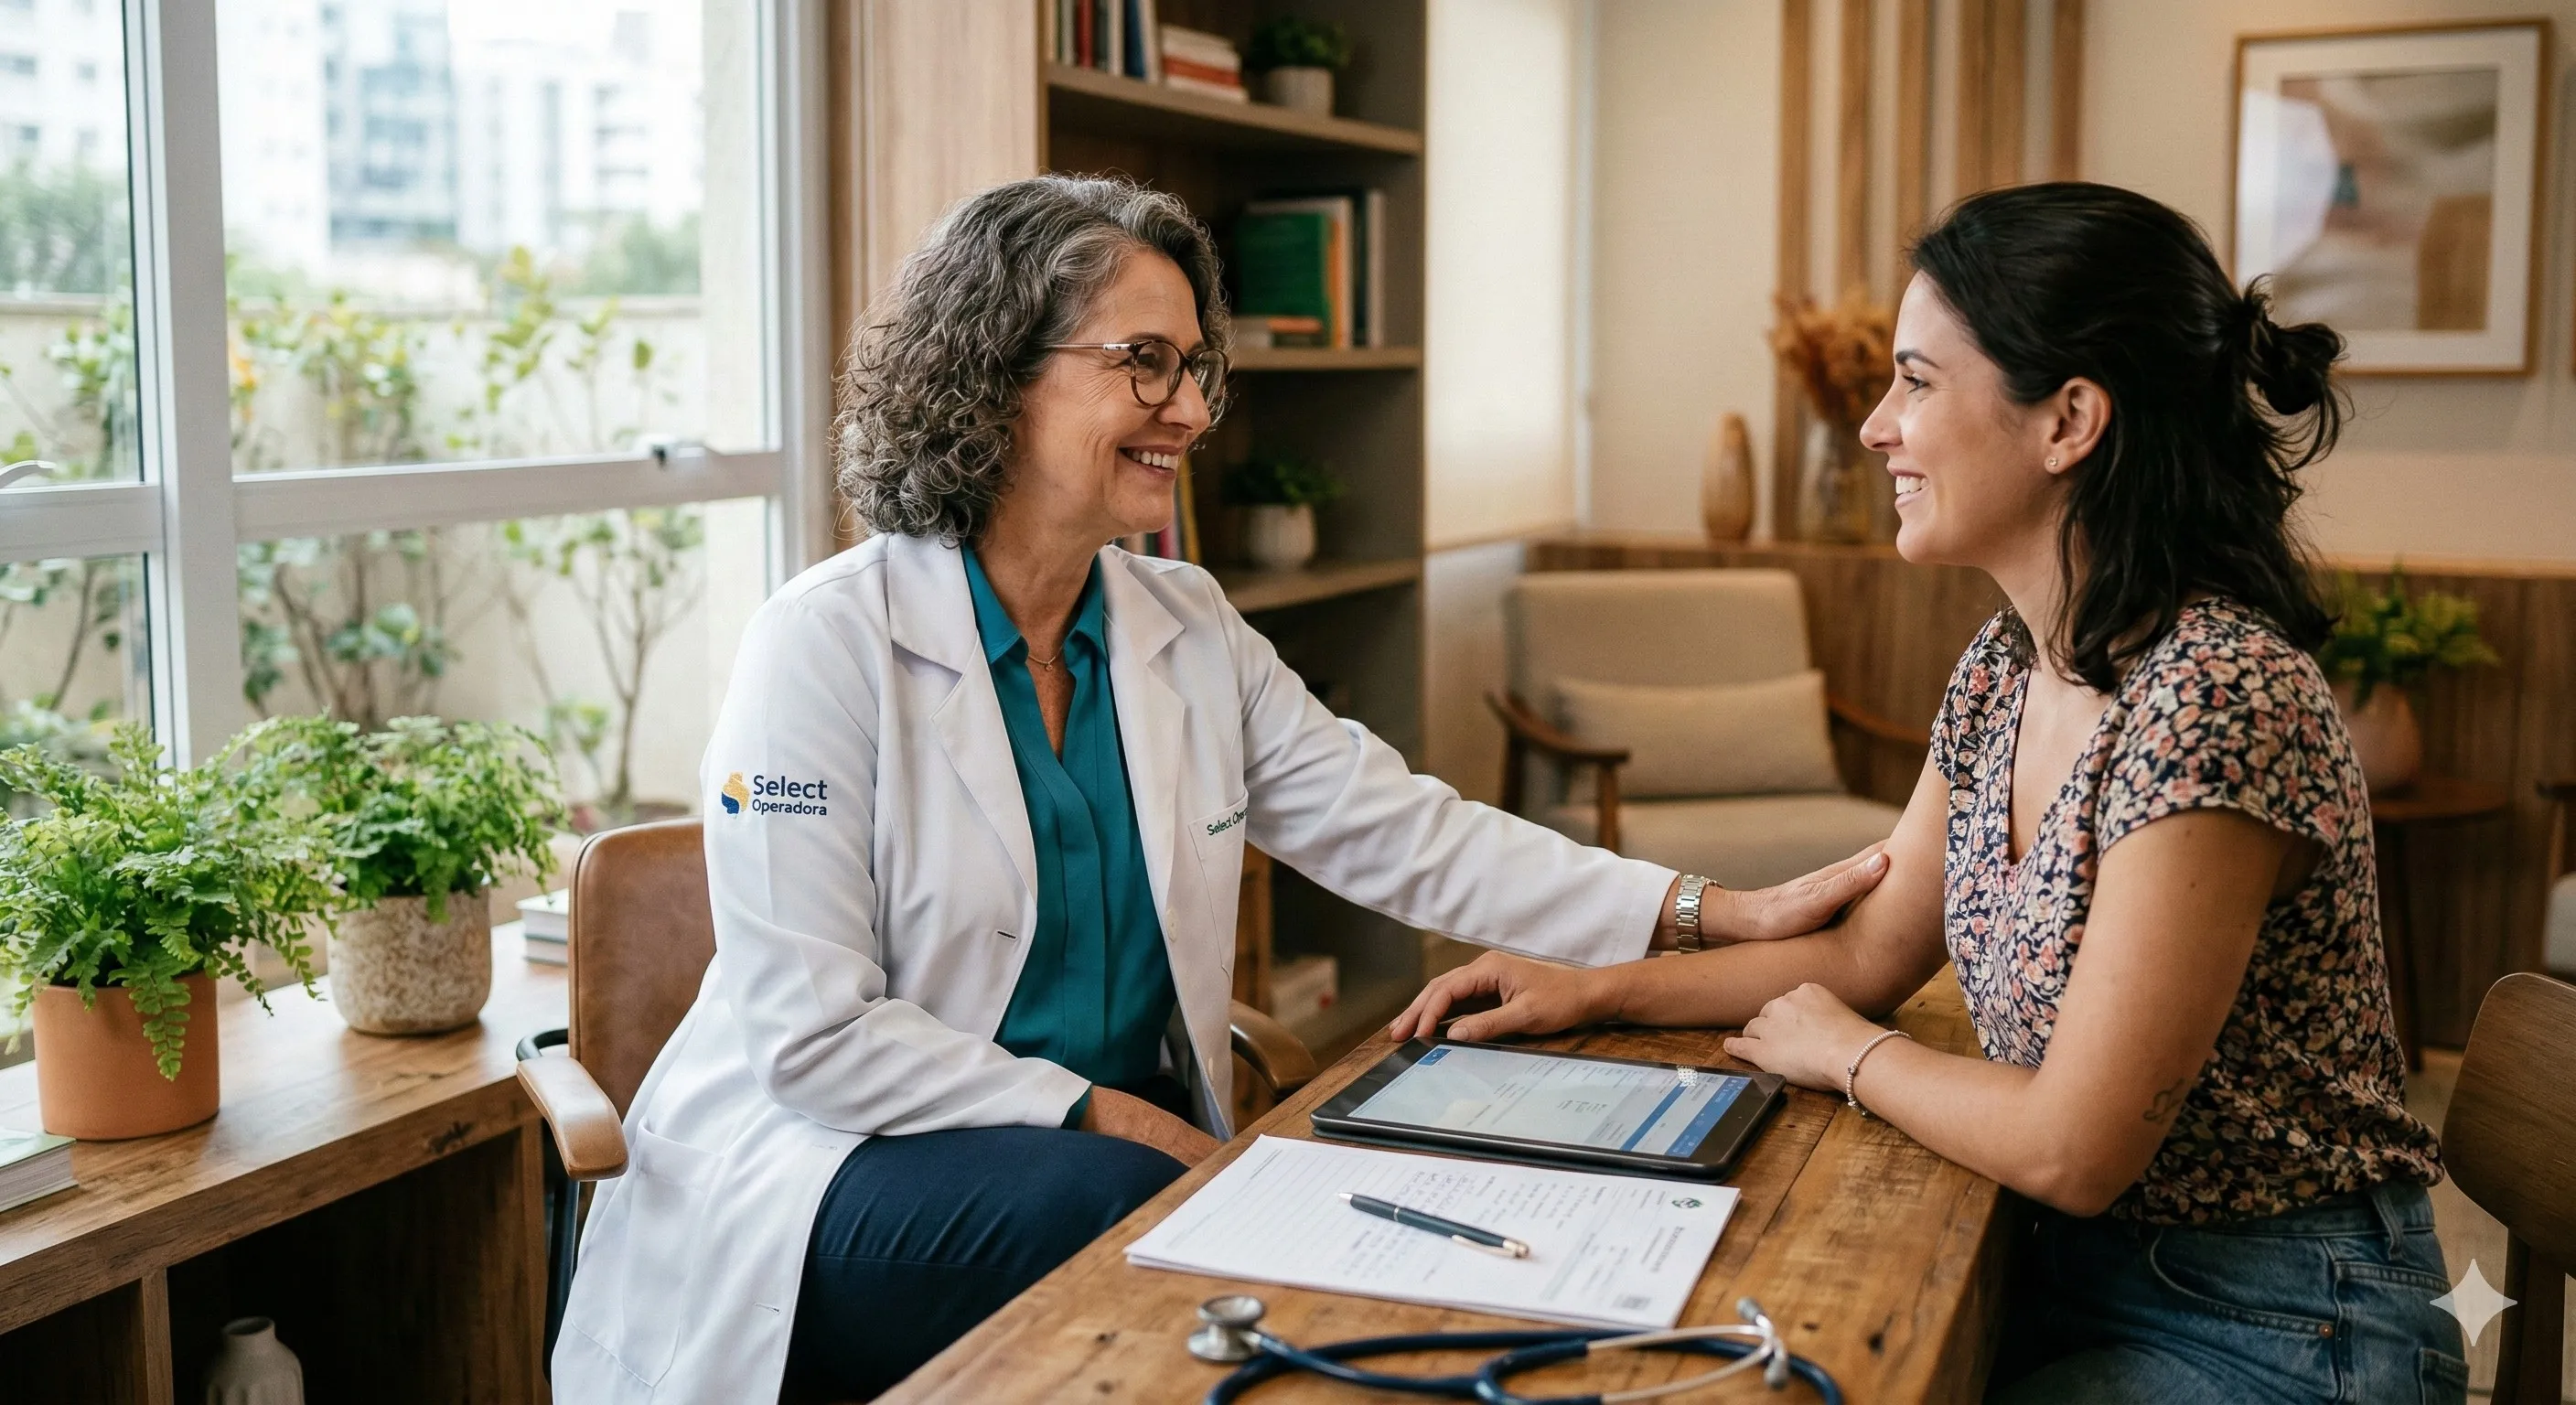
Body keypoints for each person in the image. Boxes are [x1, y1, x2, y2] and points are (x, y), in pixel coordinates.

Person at [550, 173, 1890, 1404]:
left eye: (1195, 369)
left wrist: (1708, 911)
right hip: (828, 1176)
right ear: (995, 375)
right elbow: (810, 1039)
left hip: (1103, 1165)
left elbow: (1404, 834)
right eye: (1145, 363)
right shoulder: (825, 642)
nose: (1191, 411)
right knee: (1126, 1210)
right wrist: (1115, 1118)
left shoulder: (1180, 626)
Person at [1391, 182, 2464, 1405]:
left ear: (2068, 421)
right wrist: (1590, 989)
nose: (1875, 428)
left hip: (2284, 1322)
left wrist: (1851, 1056)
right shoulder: (2009, 664)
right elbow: (1862, 955)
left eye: (1915, 382)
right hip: (2065, 1270)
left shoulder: (2218, 699)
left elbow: (2072, 1147)